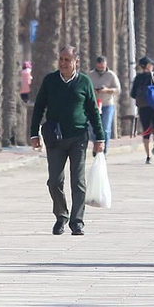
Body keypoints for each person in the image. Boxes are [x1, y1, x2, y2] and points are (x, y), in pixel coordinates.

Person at [29, 46, 106, 235]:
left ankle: (77, 221)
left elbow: (93, 112)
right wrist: (34, 134)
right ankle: (61, 216)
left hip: (78, 137)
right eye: (61, 59)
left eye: (67, 60)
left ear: (76, 62)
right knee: (54, 181)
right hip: (54, 139)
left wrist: (100, 137)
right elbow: (39, 108)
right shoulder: (50, 81)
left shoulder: (84, 82)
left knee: (78, 181)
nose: (63, 63)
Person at [130, 57, 154, 164]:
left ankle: (148, 156)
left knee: (146, 131)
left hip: (143, 107)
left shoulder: (137, 78)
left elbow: (133, 94)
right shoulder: (153, 75)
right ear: (147, 66)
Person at [87, 55, 122, 153]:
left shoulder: (111, 75)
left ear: (106, 65)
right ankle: (96, 147)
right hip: (94, 104)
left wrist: (107, 90)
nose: (100, 69)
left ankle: (103, 151)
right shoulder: (90, 75)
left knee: (106, 129)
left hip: (107, 104)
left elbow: (118, 89)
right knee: (93, 129)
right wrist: (93, 90)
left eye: (102, 67)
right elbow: (85, 88)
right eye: (98, 67)